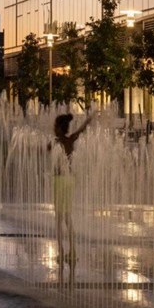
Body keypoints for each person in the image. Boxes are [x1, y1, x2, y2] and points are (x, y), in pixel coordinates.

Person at [49, 112, 93, 268]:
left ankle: (61, 252)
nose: (53, 128)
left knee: (59, 218)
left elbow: (44, 151)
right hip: (70, 180)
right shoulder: (70, 140)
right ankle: (73, 251)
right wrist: (89, 119)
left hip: (59, 181)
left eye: (55, 126)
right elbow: (81, 130)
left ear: (60, 128)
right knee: (67, 217)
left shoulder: (55, 143)